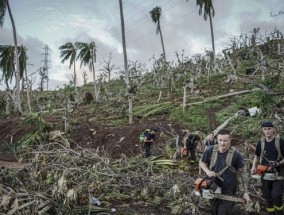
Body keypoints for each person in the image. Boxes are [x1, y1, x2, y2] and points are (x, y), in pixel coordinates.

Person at [199, 129, 251, 215]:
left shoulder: (236, 154)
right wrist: (207, 171)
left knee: (223, 212)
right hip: (213, 186)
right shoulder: (210, 150)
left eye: (225, 141)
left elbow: (244, 173)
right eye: (220, 140)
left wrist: (246, 192)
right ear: (217, 139)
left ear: (230, 141)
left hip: (229, 189)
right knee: (214, 210)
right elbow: (202, 162)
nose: (222, 143)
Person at [250, 121, 284, 215]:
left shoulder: (280, 142)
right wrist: (253, 167)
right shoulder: (260, 143)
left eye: (269, 129)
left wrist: (277, 163)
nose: (267, 131)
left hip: (278, 171)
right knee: (267, 195)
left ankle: (279, 212)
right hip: (263, 170)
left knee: (276, 195)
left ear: (273, 129)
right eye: (265, 129)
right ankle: (271, 213)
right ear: (262, 130)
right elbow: (256, 156)